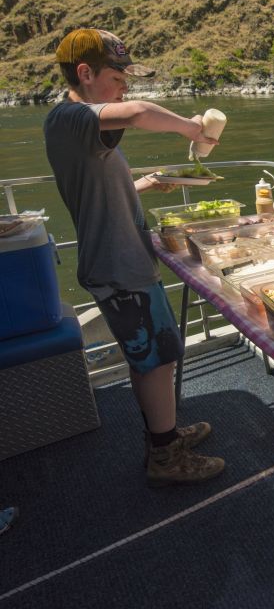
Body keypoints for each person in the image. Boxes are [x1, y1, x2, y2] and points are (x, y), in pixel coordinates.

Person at [43, 28, 225, 487]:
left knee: (155, 357)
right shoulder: (69, 117)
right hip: (116, 263)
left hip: (125, 257)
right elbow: (142, 112)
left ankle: (164, 434)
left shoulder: (84, 127)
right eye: (117, 75)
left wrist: (148, 184)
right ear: (85, 74)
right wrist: (192, 129)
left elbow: (98, 187)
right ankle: (165, 457)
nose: (126, 85)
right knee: (155, 358)